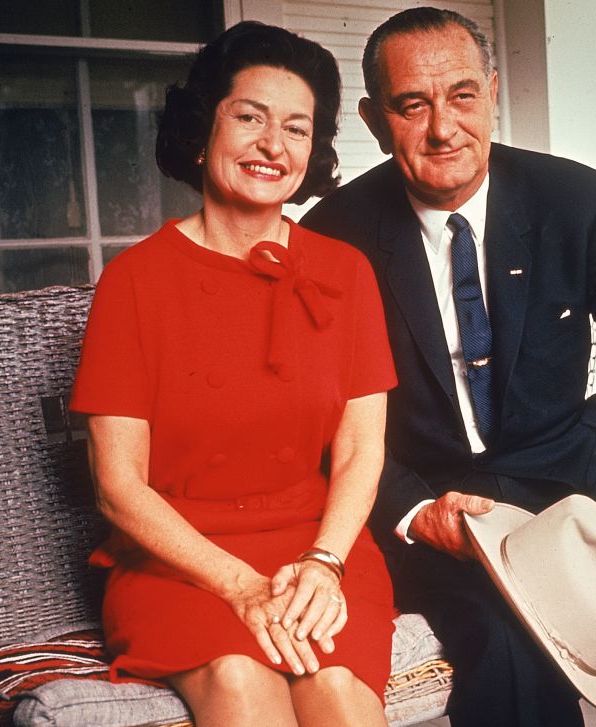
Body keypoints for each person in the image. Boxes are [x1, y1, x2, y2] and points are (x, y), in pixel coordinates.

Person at [300, 8, 596, 726]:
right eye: (414, 105)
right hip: (439, 500)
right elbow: (319, 410)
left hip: (571, 475)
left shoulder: (571, 199)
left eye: (463, 95)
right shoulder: (332, 237)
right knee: (512, 657)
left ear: (492, 92)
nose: (444, 128)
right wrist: (409, 510)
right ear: (377, 121)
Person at [70, 22, 396, 727]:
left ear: (314, 151)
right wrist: (240, 585)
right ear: (203, 125)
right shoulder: (135, 281)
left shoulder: (346, 273)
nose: (272, 145)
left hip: (320, 546)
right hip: (179, 561)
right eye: (249, 117)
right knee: (241, 680)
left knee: (337, 694)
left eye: (296, 128)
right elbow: (117, 486)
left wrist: (324, 562)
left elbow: (361, 448)